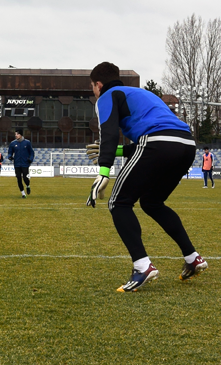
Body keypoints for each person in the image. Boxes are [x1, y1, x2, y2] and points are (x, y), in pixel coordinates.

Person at [86, 61, 207, 292]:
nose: (93, 92)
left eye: (92, 87)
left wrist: (103, 171)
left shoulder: (107, 96)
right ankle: (193, 258)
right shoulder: (142, 94)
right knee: (152, 203)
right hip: (186, 144)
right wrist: (118, 151)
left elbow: (110, 133)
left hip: (158, 142)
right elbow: (155, 136)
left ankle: (143, 267)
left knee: (118, 202)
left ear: (99, 84)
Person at [8, 130, 34, 198]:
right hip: (17, 164)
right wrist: (10, 156)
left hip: (25, 163)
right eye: (15, 134)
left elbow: (31, 152)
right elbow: (10, 152)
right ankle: (23, 194)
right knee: (18, 179)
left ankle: (28, 186)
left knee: (25, 178)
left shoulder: (27, 142)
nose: (16, 135)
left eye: (17, 134)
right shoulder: (13, 143)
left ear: (21, 135)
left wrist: (30, 159)